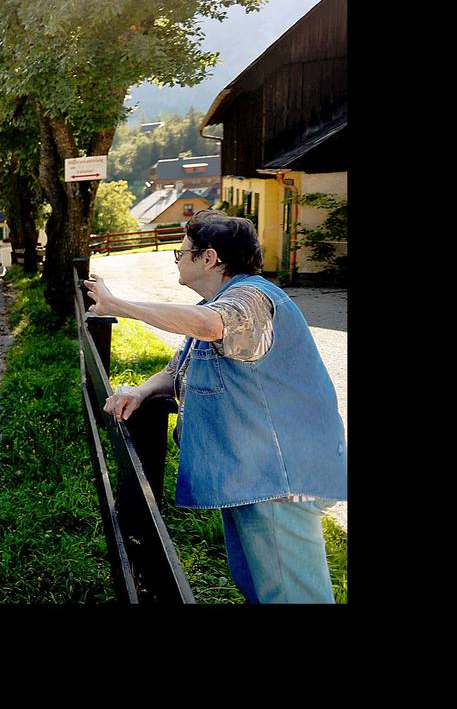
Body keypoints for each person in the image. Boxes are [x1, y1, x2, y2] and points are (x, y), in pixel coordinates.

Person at [83, 209, 346, 603]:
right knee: (260, 588)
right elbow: (181, 369)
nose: (178, 260)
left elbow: (212, 325)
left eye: (182, 251)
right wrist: (141, 392)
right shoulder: (224, 298)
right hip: (251, 475)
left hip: (278, 478)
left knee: (292, 595)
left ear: (209, 258)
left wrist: (117, 304)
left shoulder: (251, 299)